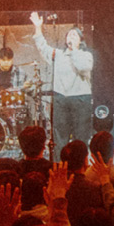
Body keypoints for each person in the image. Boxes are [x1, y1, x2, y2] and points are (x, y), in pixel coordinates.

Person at [30, 12, 93, 147]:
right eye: (69, 35)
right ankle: (60, 160)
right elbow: (42, 47)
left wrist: (74, 50)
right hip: (61, 98)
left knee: (80, 137)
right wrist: (38, 27)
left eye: (75, 35)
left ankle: (80, 160)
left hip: (81, 99)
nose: (71, 36)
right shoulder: (58, 55)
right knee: (60, 137)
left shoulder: (86, 55)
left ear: (80, 40)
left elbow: (83, 68)